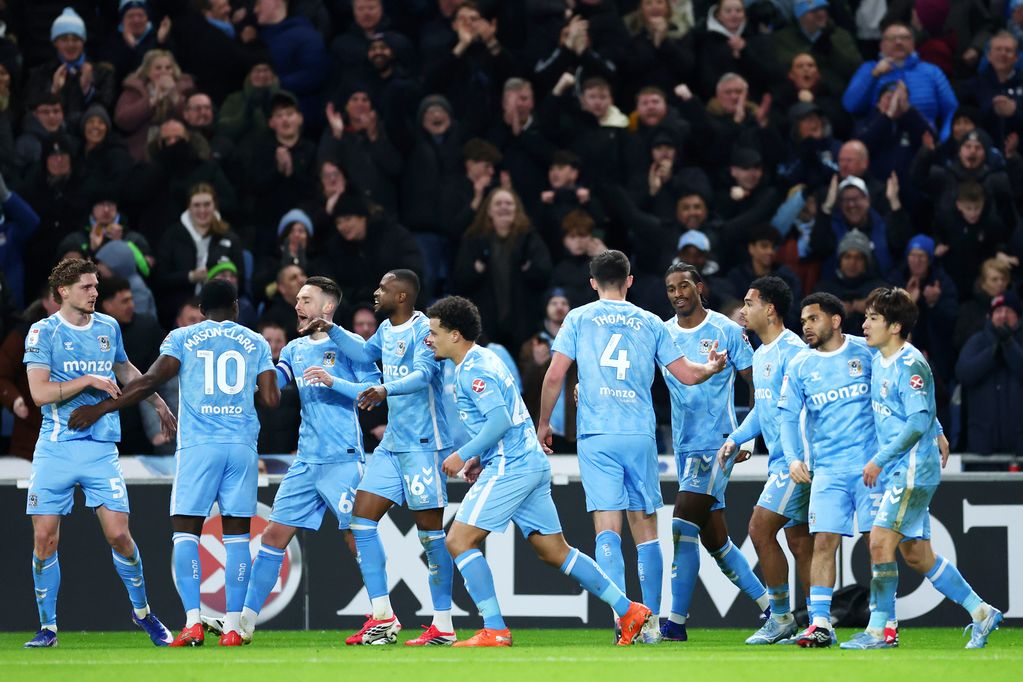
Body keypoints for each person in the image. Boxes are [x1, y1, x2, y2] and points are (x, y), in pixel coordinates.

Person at [429, 294, 653, 647]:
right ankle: (629, 611)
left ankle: (495, 629)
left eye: (434, 332)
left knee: (458, 541)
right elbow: (508, 418)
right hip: (528, 462)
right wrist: (479, 457)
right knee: (554, 550)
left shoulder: (474, 369)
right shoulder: (485, 359)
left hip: (512, 465)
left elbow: (500, 420)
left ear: (455, 335)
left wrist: (464, 453)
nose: (430, 339)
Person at [68, 279, 279, 646]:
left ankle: (193, 622)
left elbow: (148, 381)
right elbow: (273, 399)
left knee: (186, 533)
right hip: (242, 446)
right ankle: (232, 628)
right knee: (238, 537)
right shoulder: (257, 342)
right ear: (235, 307)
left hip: (198, 447)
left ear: (200, 309)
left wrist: (101, 407)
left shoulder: (182, 338)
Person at [536, 250, 728, 644]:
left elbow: (555, 374)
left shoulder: (578, 318)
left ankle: (624, 618)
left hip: (597, 434)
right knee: (646, 529)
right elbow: (687, 375)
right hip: (639, 433)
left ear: (592, 282)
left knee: (607, 528)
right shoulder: (651, 322)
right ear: (629, 280)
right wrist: (711, 366)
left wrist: (543, 423)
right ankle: (653, 623)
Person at [22, 258, 174, 648]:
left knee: (120, 534)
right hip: (55, 447)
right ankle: (48, 628)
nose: (95, 293)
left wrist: (155, 401)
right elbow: (39, 394)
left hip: (101, 448)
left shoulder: (107, 327)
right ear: (64, 292)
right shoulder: (42, 333)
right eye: (87, 287)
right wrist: (88, 380)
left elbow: (124, 370)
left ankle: (143, 614)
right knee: (44, 539)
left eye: (95, 286)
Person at [223, 277, 380, 644]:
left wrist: (332, 381)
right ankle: (242, 624)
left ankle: (383, 615)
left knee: (358, 536)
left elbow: (373, 392)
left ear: (326, 307)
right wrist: (258, 371)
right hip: (307, 460)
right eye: (296, 299)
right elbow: (275, 385)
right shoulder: (293, 348)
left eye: (305, 299)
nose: (297, 305)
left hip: (342, 457)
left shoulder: (350, 347)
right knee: (273, 535)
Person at [844, 287, 1002, 649]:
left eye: (873, 318)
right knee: (917, 554)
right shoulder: (882, 357)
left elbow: (916, 422)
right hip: (905, 466)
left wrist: (879, 460)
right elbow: (923, 408)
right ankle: (981, 612)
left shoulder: (908, 363)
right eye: (866, 316)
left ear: (895, 326)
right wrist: (941, 431)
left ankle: (879, 632)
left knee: (880, 543)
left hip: (911, 468)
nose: (864, 324)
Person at [303, 270, 454, 646]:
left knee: (431, 537)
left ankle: (444, 624)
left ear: (402, 296)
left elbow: (422, 376)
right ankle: (383, 617)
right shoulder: (386, 331)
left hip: (422, 445)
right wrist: (332, 329)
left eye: (383, 288)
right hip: (391, 447)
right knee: (361, 522)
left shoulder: (425, 331)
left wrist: (385, 388)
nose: (376, 292)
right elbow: (363, 352)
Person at [656, 263, 769, 642]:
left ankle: (674, 624)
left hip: (717, 443)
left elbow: (758, 384)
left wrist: (746, 438)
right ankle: (773, 609)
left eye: (684, 285)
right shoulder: (663, 333)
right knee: (715, 540)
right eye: (671, 288)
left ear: (699, 287)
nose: (677, 293)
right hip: (685, 446)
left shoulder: (726, 330)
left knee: (681, 526)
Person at [776, 292, 876, 648]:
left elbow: (903, 388)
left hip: (870, 468)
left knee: (877, 544)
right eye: (803, 321)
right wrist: (792, 458)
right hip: (827, 471)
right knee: (823, 543)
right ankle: (820, 623)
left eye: (813, 319)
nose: (806, 326)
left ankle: (881, 623)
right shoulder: (801, 365)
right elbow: (786, 416)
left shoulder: (868, 349)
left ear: (835, 320)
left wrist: (936, 431)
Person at [718, 276, 812, 644]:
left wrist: (799, 456)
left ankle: (782, 616)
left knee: (759, 528)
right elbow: (763, 409)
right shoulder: (760, 354)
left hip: (797, 461)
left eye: (749, 303)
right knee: (800, 541)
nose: (743, 310)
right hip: (781, 461)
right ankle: (817, 620)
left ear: (770, 309)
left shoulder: (794, 351)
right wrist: (736, 438)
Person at [842, 21, 958, 141]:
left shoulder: (932, 72)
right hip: (881, 141)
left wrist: (945, 139)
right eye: (892, 38)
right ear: (882, 45)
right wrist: (874, 75)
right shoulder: (869, 69)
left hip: (923, 141)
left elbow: (952, 109)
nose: (898, 42)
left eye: (904, 38)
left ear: (913, 44)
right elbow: (850, 106)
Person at [956, 292, 1023, 459]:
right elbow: (964, 373)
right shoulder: (977, 341)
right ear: (990, 316)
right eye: (998, 311)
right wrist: (993, 353)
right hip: (983, 444)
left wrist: (1009, 345)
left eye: (1009, 311)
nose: (1003, 316)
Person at [114, 49, 195, 161]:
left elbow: (192, 119)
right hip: (140, 154)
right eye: (158, 68)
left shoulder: (185, 89)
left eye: (168, 68)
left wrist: (174, 97)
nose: (164, 72)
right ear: (148, 71)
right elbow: (122, 120)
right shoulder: (134, 89)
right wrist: (151, 101)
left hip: (178, 151)